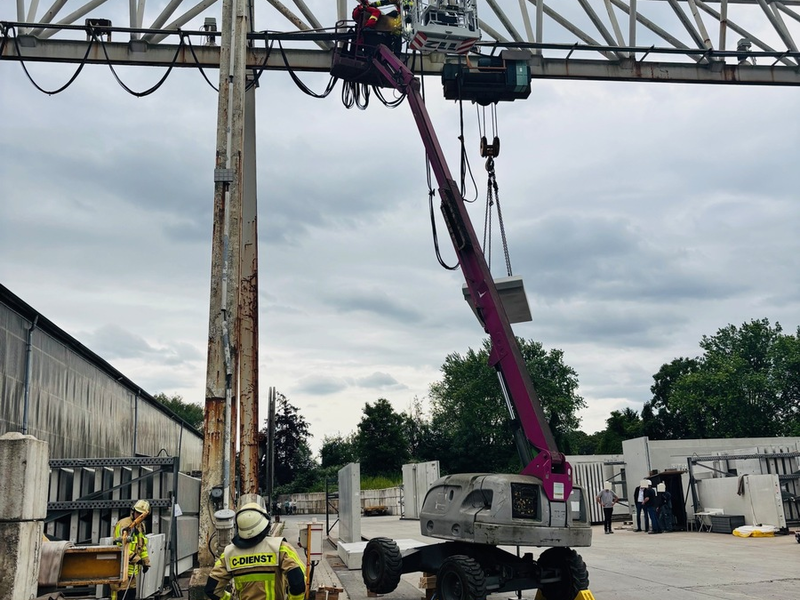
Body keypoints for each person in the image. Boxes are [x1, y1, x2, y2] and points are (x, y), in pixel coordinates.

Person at [205, 501, 307, 600]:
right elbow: (298, 583)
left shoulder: (229, 554)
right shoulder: (281, 548)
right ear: (266, 524)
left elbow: (212, 589)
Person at [111, 499, 151, 600]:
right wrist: (137, 559)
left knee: (132, 594)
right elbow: (120, 547)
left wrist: (145, 562)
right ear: (133, 511)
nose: (138, 515)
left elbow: (142, 546)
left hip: (132, 570)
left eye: (141, 514)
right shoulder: (124, 525)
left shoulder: (141, 526)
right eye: (137, 512)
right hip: (121, 569)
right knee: (121, 594)